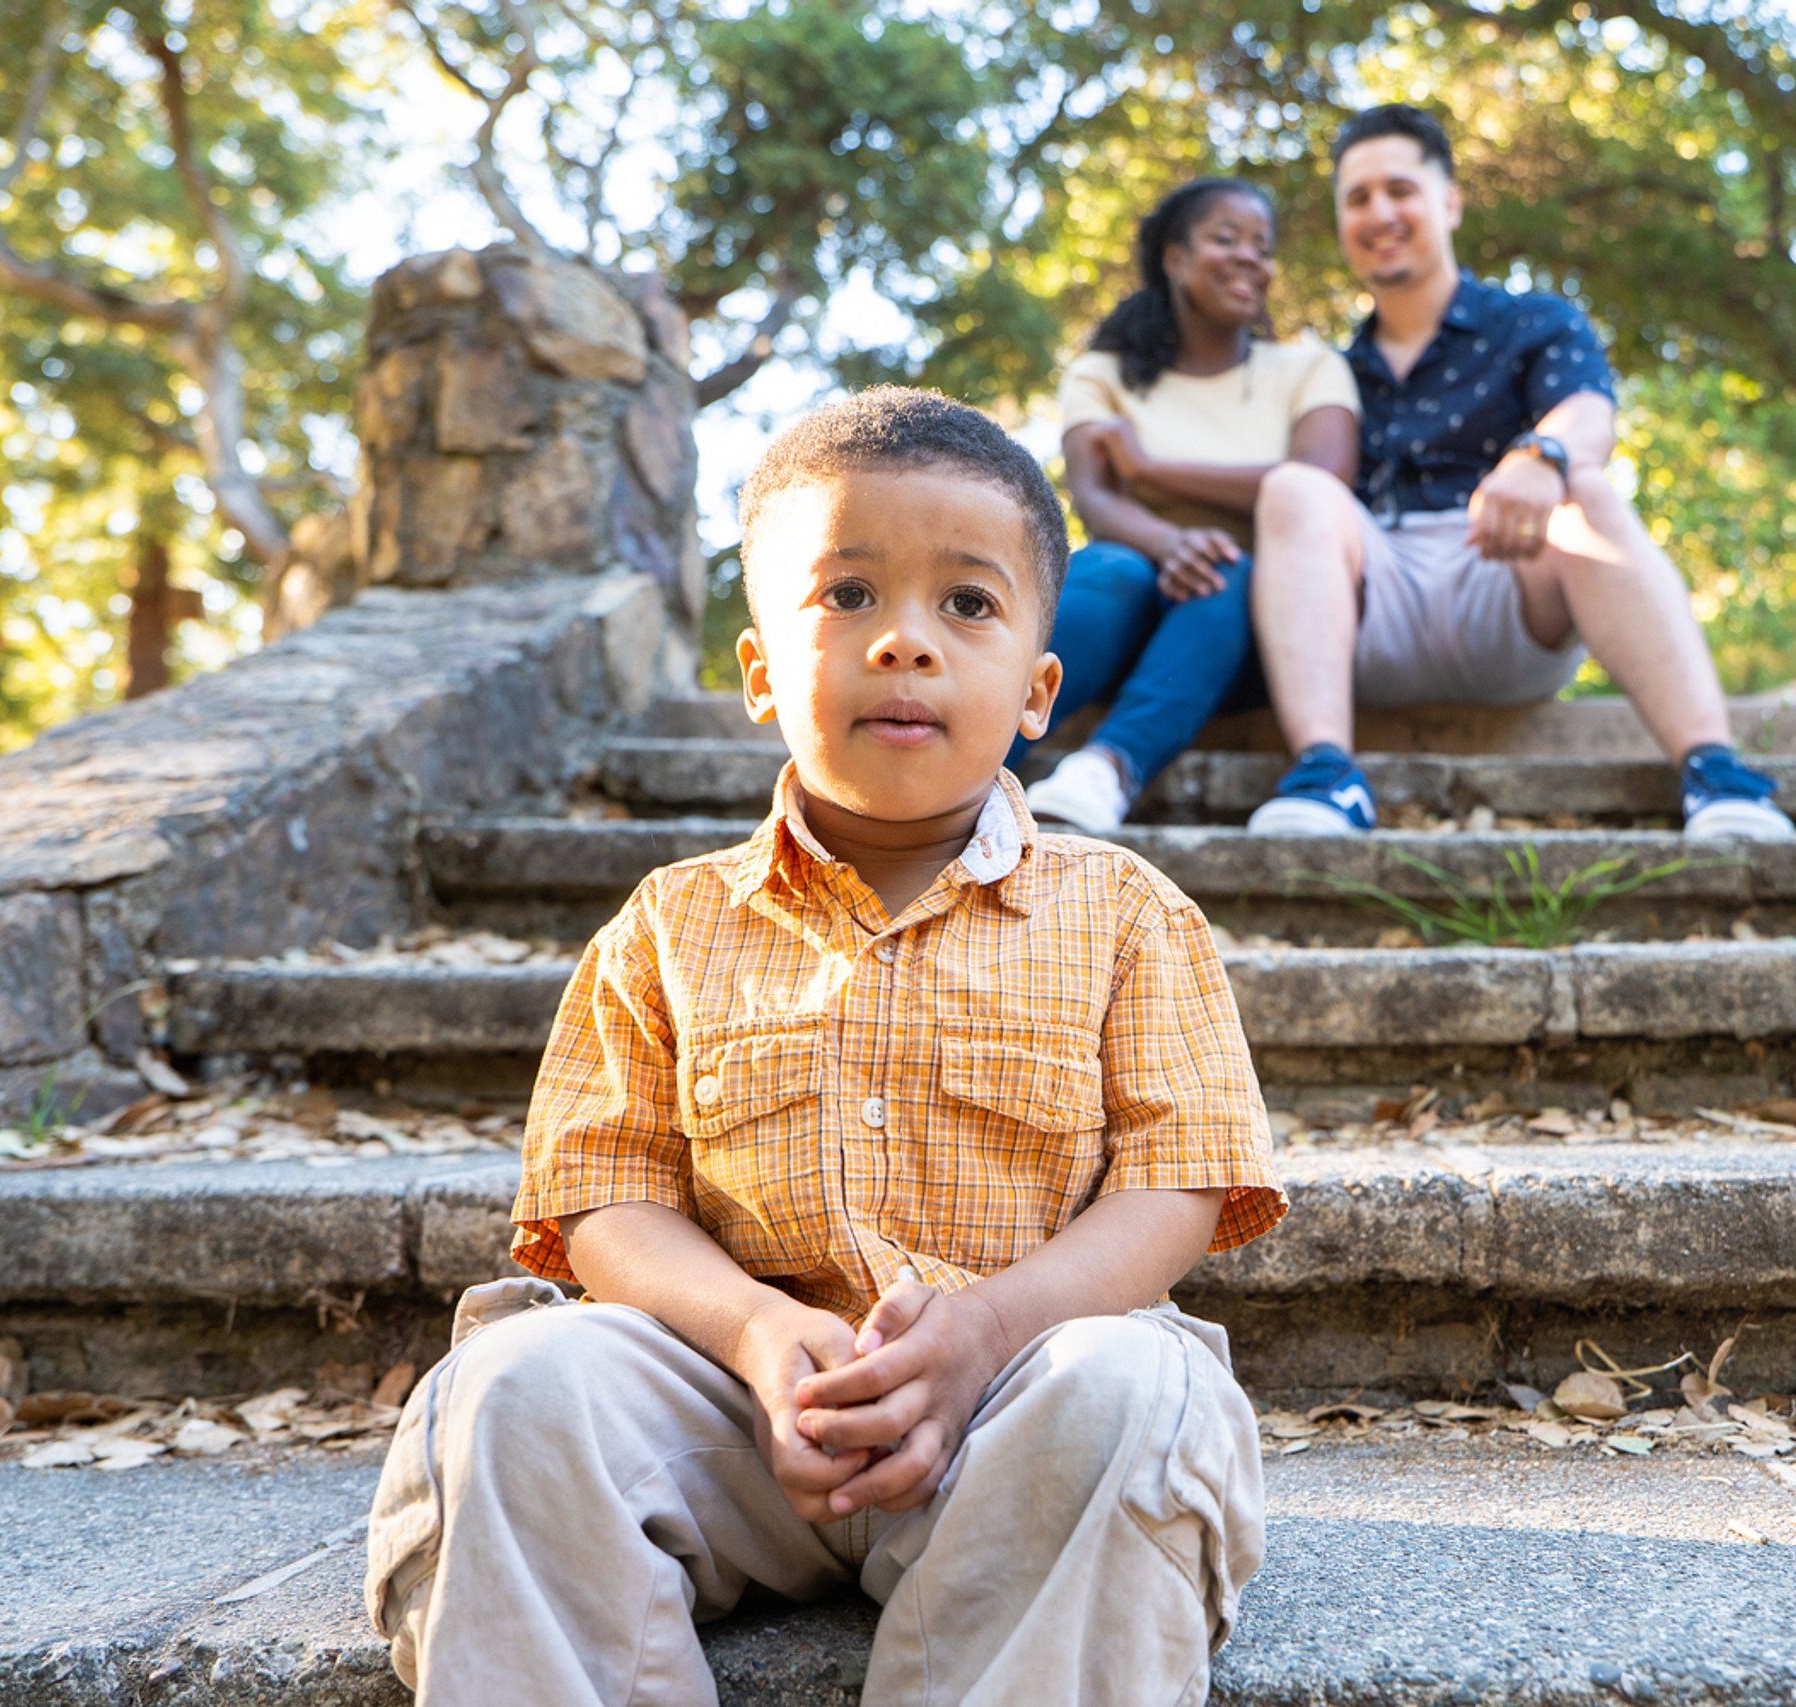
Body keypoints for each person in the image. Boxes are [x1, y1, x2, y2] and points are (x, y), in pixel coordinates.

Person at [364, 387, 1287, 1707]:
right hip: (730, 1420)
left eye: (966, 604)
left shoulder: (1128, 913)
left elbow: (1181, 1182)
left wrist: (983, 1333)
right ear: (756, 674)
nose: (905, 641)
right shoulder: (666, 924)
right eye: (847, 594)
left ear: (1036, 689)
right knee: (513, 1381)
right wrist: (753, 1329)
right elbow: (603, 1198)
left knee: (1131, 1384)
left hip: (1013, 1413)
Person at [1242, 104, 1794, 840]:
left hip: (1504, 588)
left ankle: (1716, 772)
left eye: (1399, 189)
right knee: (1293, 489)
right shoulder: (1327, 370)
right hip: (1377, 604)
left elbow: (1588, 414)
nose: (1380, 213)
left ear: (1449, 200)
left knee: (1587, 491)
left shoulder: (1535, 322)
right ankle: (1324, 774)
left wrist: (1542, 456)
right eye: (1358, 198)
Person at [1021, 176, 1360, 835]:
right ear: (1175, 258)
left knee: (1225, 566)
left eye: (1262, 247)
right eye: (1226, 238)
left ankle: (1109, 767)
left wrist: (1151, 468)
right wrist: (1168, 542)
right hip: (1128, 606)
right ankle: (972, 759)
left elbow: (1321, 479)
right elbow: (1093, 495)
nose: (1250, 258)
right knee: (1111, 567)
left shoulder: (1308, 369)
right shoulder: (1101, 374)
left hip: (1252, 635)